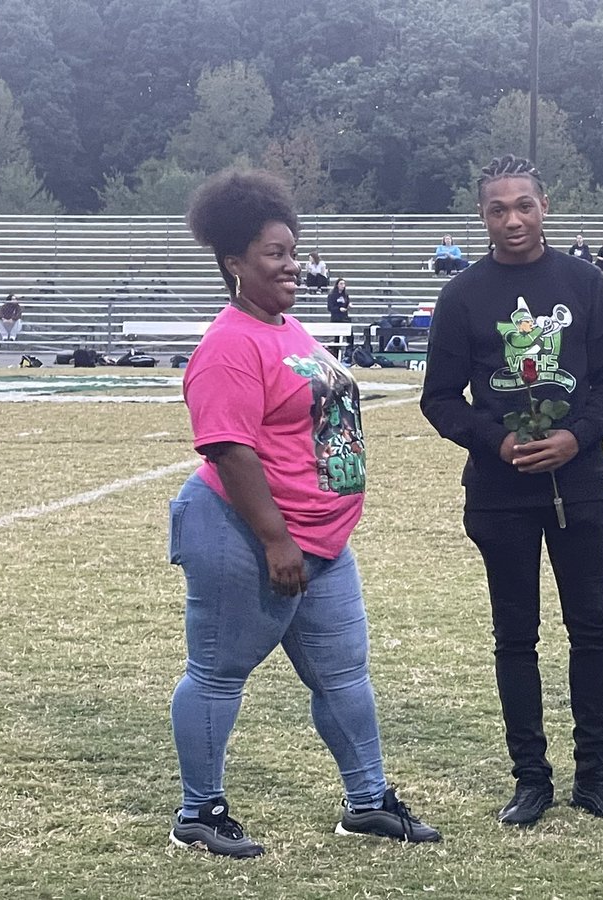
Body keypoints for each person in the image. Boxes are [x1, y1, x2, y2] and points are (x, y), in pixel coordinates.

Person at [168, 168, 440, 858]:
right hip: (249, 533)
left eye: (294, 251)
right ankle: (198, 813)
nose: (292, 265)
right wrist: (275, 540)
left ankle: (367, 801)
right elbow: (229, 448)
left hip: (320, 540)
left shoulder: (285, 327)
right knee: (218, 671)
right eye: (274, 254)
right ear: (235, 263)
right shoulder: (230, 343)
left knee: (345, 673)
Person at [419, 154, 603, 827]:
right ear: (481, 216)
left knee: (591, 630)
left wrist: (576, 438)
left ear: (546, 206)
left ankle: (595, 777)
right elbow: (439, 400)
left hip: (579, 488)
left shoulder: (583, 282)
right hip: (499, 494)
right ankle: (530, 779)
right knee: (516, 637)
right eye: (497, 208)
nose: (512, 219)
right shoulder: (462, 295)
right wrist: (495, 441)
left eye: (523, 205)